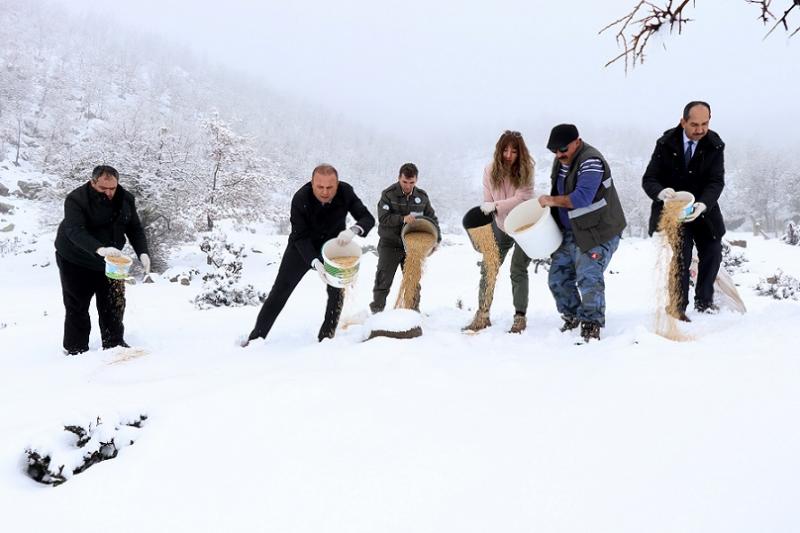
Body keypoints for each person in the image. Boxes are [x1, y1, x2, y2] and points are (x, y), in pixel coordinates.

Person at [245, 164, 375, 345]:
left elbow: (368, 218)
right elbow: (300, 236)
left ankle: (326, 337)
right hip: (301, 248)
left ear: (337, 185)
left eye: (330, 187)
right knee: (280, 291)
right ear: (312, 183)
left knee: (337, 292)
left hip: (333, 247)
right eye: (320, 187)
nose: (325, 192)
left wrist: (353, 230)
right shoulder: (300, 198)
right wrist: (315, 262)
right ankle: (256, 338)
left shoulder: (346, 192)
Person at [538, 124, 626, 342]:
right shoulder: (561, 162)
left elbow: (581, 198)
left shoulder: (591, 162)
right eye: (554, 151)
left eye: (563, 149)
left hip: (599, 231)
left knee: (588, 275)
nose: (559, 154)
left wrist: (550, 201)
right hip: (573, 231)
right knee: (558, 278)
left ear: (577, 141)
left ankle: (592, 322)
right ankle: (574, 316)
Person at [642, 101, 725, 321]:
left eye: (705, 124)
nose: (700, 130)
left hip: (703, 211)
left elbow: (716, 181)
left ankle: (704, 302)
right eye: (694, 124)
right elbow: (649, 179)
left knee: (713, 250)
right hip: (674, 213)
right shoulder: (666, 143)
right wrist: (662, 193)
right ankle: (677, 308)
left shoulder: (715, 144)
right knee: (682, 255)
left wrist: (703, 204)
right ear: (683, 121)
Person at [54, 165, 150, 355]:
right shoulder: (76, 199)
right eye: (103, 188)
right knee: (77, 304)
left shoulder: (125, 199)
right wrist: (99, 249)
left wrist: (143, 253)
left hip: (111, 261)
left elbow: (134, 228)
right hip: (76, 258)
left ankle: (114, 344)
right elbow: (74, 231)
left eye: (112, 188)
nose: (108, 193)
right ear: (93, 182)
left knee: (113, 301)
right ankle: (76, 349)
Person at [463, 130, 534, 334]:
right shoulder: (489, 170)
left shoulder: (526, 170)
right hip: (502, 226)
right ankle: (482, 315)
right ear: (499, 150)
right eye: (505, 150)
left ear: (520, 153)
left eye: (514, 151)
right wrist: (489, 209)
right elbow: (487, 200)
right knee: (489, 266)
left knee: (517, 270)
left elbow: (522, 198)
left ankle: (520, 316)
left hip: (524, 226)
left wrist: (495, 205)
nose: (509, 155)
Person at [369, 163, 440, 313]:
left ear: (416, 180)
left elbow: (432, 218)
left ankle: (413, 311)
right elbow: (383, 218)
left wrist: (436, 240)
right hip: (390, 243)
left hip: (413, 247)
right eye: (404, 182)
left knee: (413, 280)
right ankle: (377, 312)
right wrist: (402, 218)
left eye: (411, 182)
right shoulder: (388, 194)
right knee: (383, 279)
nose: (408, 186)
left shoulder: (422, 197)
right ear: (399, 178)